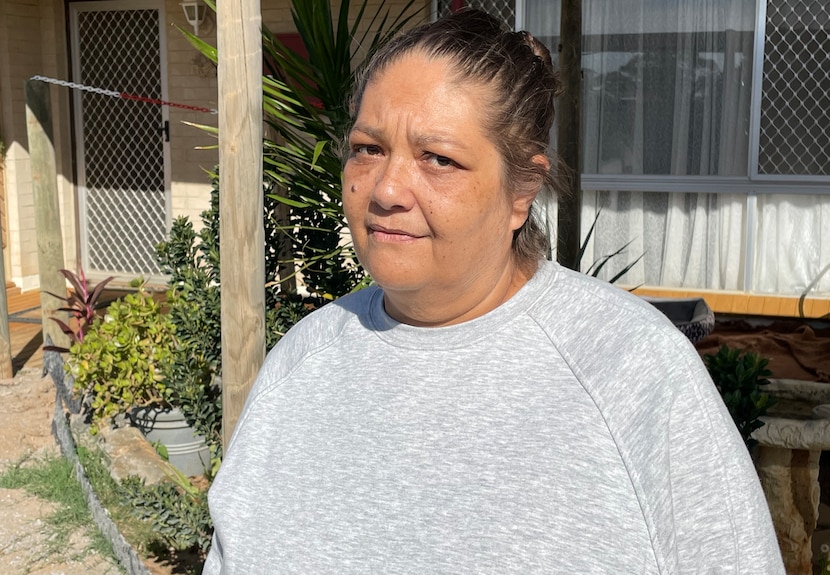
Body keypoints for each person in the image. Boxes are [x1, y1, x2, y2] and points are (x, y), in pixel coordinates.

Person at [203, 9, 784, 574]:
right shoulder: (300, 369)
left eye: (439, 159)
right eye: (368, 148)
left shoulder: (632, 372)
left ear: (521, 189)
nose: (385, 189)